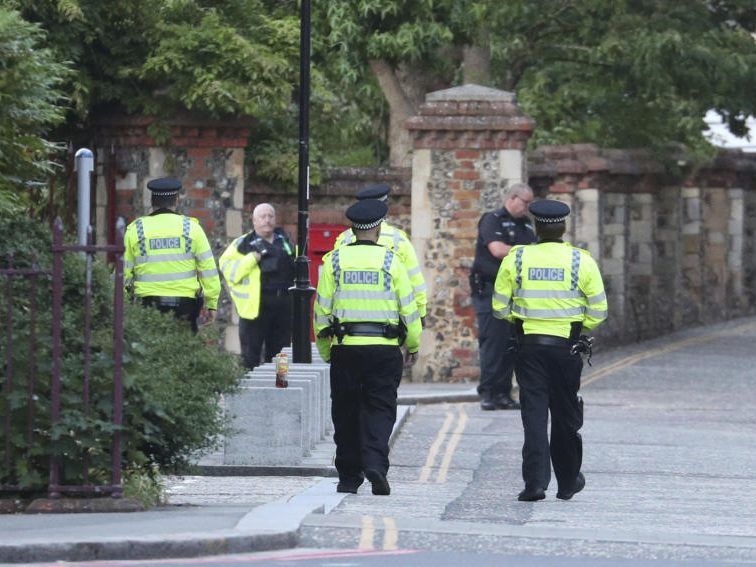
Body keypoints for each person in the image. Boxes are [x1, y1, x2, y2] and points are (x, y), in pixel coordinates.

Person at [492, 199, 608, 502]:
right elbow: (599, 310)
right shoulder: (581, 261)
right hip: (567, 348)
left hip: (528, 347)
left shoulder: (516, 259)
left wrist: (521, 321)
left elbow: (499, 307)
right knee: (566, 415)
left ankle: (535, 484)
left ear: (536, 227)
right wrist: (579, 329)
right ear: (564, 227)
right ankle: (568, 482)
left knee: (533, 415)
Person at [314, 199, 422, 496]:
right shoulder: (392, 261)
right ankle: (375, 462)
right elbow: (409, 310)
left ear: (352, 229)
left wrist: (326, 349)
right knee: (381, 408)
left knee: (345, 411)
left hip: (346, 347)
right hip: (384, 349)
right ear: (378, 227)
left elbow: (321, 311)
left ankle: (349, 476)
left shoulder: (333, 261)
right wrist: (412, 344)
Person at [123, 177, 220, 333]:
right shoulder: (192, 228)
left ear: (152, 200)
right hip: (185, 307)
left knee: (148, 353)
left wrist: (121, 305)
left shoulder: (136, 229)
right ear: (177, 199)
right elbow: (208, 270)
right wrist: (211, 303)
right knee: (183, 354)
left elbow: (123, 273)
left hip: (147, 306)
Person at [470, 183, 536, 410]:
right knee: (493, 342)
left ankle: (504, 393)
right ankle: (488, 392)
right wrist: (527, 251)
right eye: (525, 202)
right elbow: (497, 250)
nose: (527, 208)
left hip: (515, 293)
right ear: (512, 198)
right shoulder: (492, 219)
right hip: (490, 290)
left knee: (511, 343)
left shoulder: (525, 223)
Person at [334, 183, 427, 324]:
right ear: (385, 208)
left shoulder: (343, 239)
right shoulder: (399, 240)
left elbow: (332, 284)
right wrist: (420, 315)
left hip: (346, 330)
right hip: (388, 329)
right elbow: (416, 285)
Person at [220, 203, 295, 370]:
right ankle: (249, 391)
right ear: (253, 221)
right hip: (254, 309)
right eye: (262, 216)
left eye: (270, 216)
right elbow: (229, 271)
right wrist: (251, 259)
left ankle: (281, 386)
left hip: (282, 308)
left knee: (281, 354)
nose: (267, 220)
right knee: (250, 356)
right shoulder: (243, 244)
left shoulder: (286, 241)